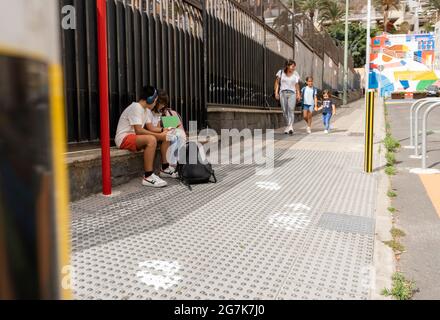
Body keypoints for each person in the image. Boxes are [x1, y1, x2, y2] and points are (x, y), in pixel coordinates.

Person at [114, 86, 170, 188]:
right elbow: (139, 130)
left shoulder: (146, 110)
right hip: (123, 138)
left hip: (133, 137)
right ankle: (148, 176)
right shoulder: (136, 107)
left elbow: (151, 128)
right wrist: (158, 135)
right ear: (150, 99)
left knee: (166, 136)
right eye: (156, 101)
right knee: (151, 140)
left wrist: (163, 131)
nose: (157, 104)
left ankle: (165, 168)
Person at [153, 91, 187, 176]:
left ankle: (177, 164)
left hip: (170, 134)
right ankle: (170, 165)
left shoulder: (171, 113)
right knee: (172, 136)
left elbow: (180, 128)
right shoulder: (152, 113)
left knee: (178, 135)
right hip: (160, 135)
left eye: (164, 103)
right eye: (160, 103)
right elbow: (155, 129)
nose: (162, 105)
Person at [274, 60, 301, 135]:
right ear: (287, 66)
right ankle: (288, 126)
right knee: (284, 111)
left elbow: (297, 84)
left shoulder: (295, 74)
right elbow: (277, 83)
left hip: (292, 93)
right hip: (283, 93)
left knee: (291, 110)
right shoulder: (281, 72)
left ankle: (290, 126)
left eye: (294, 66)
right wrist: (276, 93)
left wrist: (298, 94)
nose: (294, 68)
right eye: (292, 66)